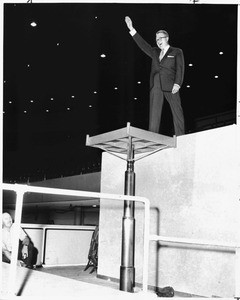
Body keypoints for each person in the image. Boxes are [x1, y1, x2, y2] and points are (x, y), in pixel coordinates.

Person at [125, 16, 185, 136]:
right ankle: (152, 137)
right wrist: (132, 29)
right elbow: (143, 45)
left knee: (177, 111)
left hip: (171, 85)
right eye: (156, 39)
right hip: (156, 86)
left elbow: (180, 68)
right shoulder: (154, 52)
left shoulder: (176, 51)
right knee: (154, 114)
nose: (158, 40)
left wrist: (177, 83)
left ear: (167, 38)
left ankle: (181, 136)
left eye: (160, 38)